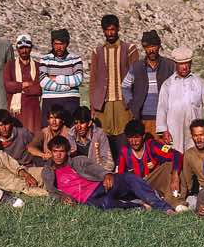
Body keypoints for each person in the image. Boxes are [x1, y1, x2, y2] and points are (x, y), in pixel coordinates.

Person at [41, 136, 174, 212]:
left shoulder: (77, 161)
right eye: (55, 151)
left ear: (67, 152)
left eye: (61, 151)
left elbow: (94, 168)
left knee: (129, 178)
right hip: (87, 199)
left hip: (100, 186)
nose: (58, 155)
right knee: (106, 204)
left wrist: (106, 174)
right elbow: (51, 190)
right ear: (51, 152)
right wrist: (63, 196)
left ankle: (164, 208)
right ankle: (140, 206)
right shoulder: (48, 171)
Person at [89, 14, 139, 160]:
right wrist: (93, 106)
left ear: (118, 29)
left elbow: (136, 77)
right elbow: (93, 80)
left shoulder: (129, 49)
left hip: (122, 103)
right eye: (107, 30)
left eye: (113, 29)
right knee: (105, 139)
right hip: (103, 104)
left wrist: (134, 104)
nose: (110, 33)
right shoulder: (97, 51)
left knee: (124, 138)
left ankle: (125, 167)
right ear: (103, 31)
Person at [117, 120, 187, 210]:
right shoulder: (124, 152)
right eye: (130, 138)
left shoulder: (152, 145)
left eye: (137, 137)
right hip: (136, 188)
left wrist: (175, 175)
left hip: (151, 183)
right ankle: (147, 202)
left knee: (170, 166)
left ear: (143, 136)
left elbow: (176, 154)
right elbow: (120, 176)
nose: (133, 141)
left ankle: (176, 203)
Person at [156, 46, 204, 152]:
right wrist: (164, 130)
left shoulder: (199, 83)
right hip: (174, 129)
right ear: (176, 64)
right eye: (181, 64)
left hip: (194, 131)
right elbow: (162, 108)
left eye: (187, 63)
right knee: (175, 157)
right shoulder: (168, 84)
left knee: (193, 156)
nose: (185, 67)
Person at [122, 30, 175, 137]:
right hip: (143, 118)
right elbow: (125, 86)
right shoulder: (137, 66)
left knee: (164, 150)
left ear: (159, 46)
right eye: (148, 47)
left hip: (166, 118)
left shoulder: (170, 66)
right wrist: (132, 103)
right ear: (144, 48)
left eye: (154, 46)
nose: (151, 50)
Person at [39, 28, 83, 126]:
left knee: (70, 132)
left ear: (67, 44)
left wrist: (56, 78)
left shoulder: (75, 59)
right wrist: (66, 86)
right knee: (49, 133)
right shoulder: (45, 59)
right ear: (52, 44)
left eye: (62, 44)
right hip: (50, 100)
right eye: (56, 44)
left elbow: (78, 79)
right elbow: (43, 81)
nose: (59, 47)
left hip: (70, 101)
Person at [3, 34, 42, 134]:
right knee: (17, 136)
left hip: (34, 110)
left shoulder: (38, 66)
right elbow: (8, 86)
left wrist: (18, 87)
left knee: (33, 137)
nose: (24, 51)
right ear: (17, 49)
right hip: (16, 111)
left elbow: (39, 88)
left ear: (31, 48)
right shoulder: (10, 65)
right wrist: (25, 84)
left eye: (27, 48)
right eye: (21, 48)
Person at [69, 106, 114, 171]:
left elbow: (109, 162)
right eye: (76, 123)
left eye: (82, 123)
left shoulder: (100, 134)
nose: (79, 127)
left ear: (89, 123)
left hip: (97, 172)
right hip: (78, 173)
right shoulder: (71, 135)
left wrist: (100, 173)